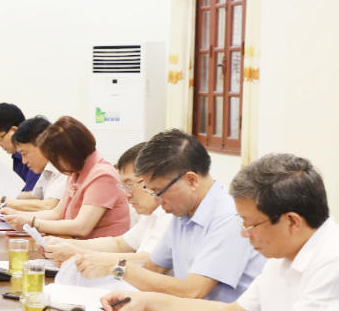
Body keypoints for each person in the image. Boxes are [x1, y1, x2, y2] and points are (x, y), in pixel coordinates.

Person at [102, 153, 339, 311]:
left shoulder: (331, 259)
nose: (244, 234)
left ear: (292, 222)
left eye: (251, 225)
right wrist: (147, 301)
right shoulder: (282, 256)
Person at [81, 129, 264, 301]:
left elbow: (193, 291)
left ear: (191, 180)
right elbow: (154, 268)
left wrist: (118, 267)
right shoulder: (182, 213)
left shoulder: (228, 216)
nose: (157, 200)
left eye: (159, 191)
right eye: (151, 192)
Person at [44, 142, 172, 270]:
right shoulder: (151, 214)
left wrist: (78, 253)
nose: (126, 194)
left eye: (129, 184)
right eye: (124, 186)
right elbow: (119, 244)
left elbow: (148, 262)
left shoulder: (170, 215)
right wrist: (65, 243)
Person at [2, 117, 130, 239]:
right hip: (76, 244)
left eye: (56, 158)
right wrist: (17, 215)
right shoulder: (75, 172)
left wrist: (33, 223)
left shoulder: (103, 175)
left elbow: (81, 227)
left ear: (69, 153)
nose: (55, 164)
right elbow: (57, 213)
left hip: (100, 249)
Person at [0, 116, 66, 212]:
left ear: (43, 145)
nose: (24, 161)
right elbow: (34, 197)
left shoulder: (63, 168)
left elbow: (48, 206)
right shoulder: (47, 168)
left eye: (25, 154)